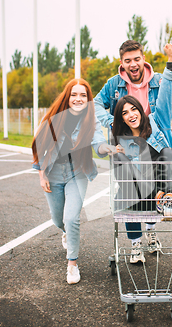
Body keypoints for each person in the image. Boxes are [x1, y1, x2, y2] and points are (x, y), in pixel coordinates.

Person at [32, 78, 114, 284]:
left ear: (88, 99)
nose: (78, 99)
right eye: (74, 94)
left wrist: (108, 149)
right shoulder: (54, 117)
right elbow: (39, 146)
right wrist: (41, 175)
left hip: (78, 172)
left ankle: (72, 264)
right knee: (58, 220)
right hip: (53, 173)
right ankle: (65, 234)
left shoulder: (91, 119)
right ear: (67, 97)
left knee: (72, 218)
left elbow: (99, 143)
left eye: (83, 95)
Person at [111, 44, 172, 264]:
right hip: (137, 196)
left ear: (141, 111)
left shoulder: (156, 124)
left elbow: (164, 95)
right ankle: (136, 244)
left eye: (134, 109)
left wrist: (171, 62)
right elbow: (124, 181)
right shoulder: (121, 142)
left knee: (167, 152)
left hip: (161, 193)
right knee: (121, 161)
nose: (131, 114)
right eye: (124, 113)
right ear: (121, 119)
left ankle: (168, 200)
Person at [94, 39, 172, 158]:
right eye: (128, 61)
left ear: (143, 58)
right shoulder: (114, 84)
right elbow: (96, 104)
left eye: (137, 59)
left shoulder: (160, 82)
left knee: (165, 160)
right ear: (121, 63)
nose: (133, 64)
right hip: (129, 145)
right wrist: (112, 121)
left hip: (157, 143)